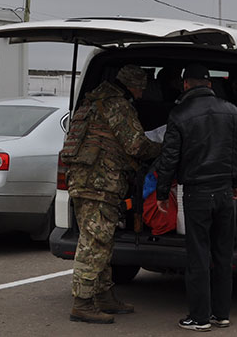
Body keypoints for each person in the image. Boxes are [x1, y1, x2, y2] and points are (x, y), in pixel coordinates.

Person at [62, 65, 161, 324]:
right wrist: (164, 148)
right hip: (100, 183)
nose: (141, 94)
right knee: (94, 243)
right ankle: (82, 303)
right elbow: (136, 145)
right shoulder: (117, 105)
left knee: (100, 240)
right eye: (140, 88)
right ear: (131, 85)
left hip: (81, 181)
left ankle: (104, 296)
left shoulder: (91, 103)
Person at [155, 63, 237, 331]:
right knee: (222, 255)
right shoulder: (231, 111)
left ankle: (198, 318)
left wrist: (162, 192)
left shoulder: (179, 114)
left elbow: (169, 157)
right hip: (223, 193)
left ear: (186, 84)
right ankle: (221, 314)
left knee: (198, 255)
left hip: (196, 193)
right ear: (209, 84)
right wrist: (236, 182)